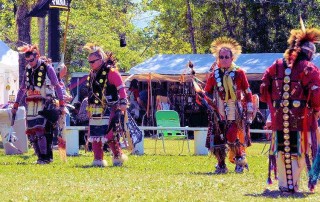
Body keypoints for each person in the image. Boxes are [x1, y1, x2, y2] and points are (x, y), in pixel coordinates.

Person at [260, 26, 320, 193]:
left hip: (280, 119)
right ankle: (293, 184)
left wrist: (276, 104)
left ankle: (285, 184)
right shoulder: (309, 68)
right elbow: (317, 95)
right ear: (309, 53)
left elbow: (264, 89)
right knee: (300, 150)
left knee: (282, 148)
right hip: (303, 119)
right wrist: (316, 110)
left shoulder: (277, 65)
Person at [203, 37, 253, 174]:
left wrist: (249, 109)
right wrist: (206, 99)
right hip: (218, 109)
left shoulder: (239, 72)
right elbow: (207, 91)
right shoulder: (214, 74)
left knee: (231, 135)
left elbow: (247, 91)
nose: (224, 59)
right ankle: (221, 164)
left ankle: (239, 160)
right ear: (218, 58)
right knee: (218, 137)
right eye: (221, 57)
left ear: (232, 58)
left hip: (235, 109)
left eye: (226, 57)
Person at [12, 44, 65, 164]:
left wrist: (61, 103)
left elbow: (57, 85)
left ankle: (46, 157)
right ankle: (40, 157)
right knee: (32, 132)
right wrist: (15, 105)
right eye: (27, 60)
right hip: (31, 105)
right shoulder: (28, 69)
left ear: (37, 56)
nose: (30, 62)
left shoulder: (47, 68)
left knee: (41, 130)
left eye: (31, 60)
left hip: (45, 103)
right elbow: (22, 89)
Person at [83, 43, 128, 167]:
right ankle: (98, 160)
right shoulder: (92, 74)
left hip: (110, 107)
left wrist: (124, 101)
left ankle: (117, 156)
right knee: (95, 135)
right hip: (95, 108)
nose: (91, 64)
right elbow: (90, 92)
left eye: (93, 62)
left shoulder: (111, 72)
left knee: (109, 134)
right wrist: (88, 107)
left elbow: (121, 87)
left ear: (101, 59)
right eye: (89, 62)